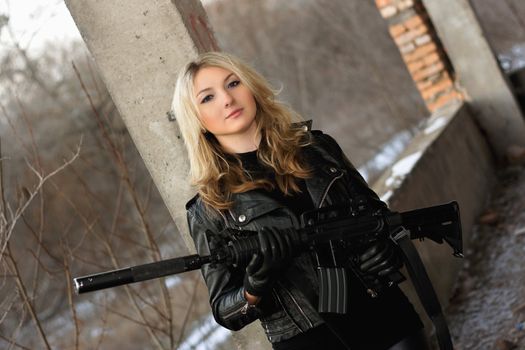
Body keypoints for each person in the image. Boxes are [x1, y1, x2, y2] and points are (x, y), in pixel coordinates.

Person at [172, 51, 429, 350]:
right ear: (197, 120)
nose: (227, 99)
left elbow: (379, 218)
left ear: (251, 87)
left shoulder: (318, 149)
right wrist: (254, 285)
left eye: (233, 84)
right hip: (307, 338)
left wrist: (389, 248)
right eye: (207, 98)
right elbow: (225, 311)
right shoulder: (209, 207)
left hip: (383, 312)